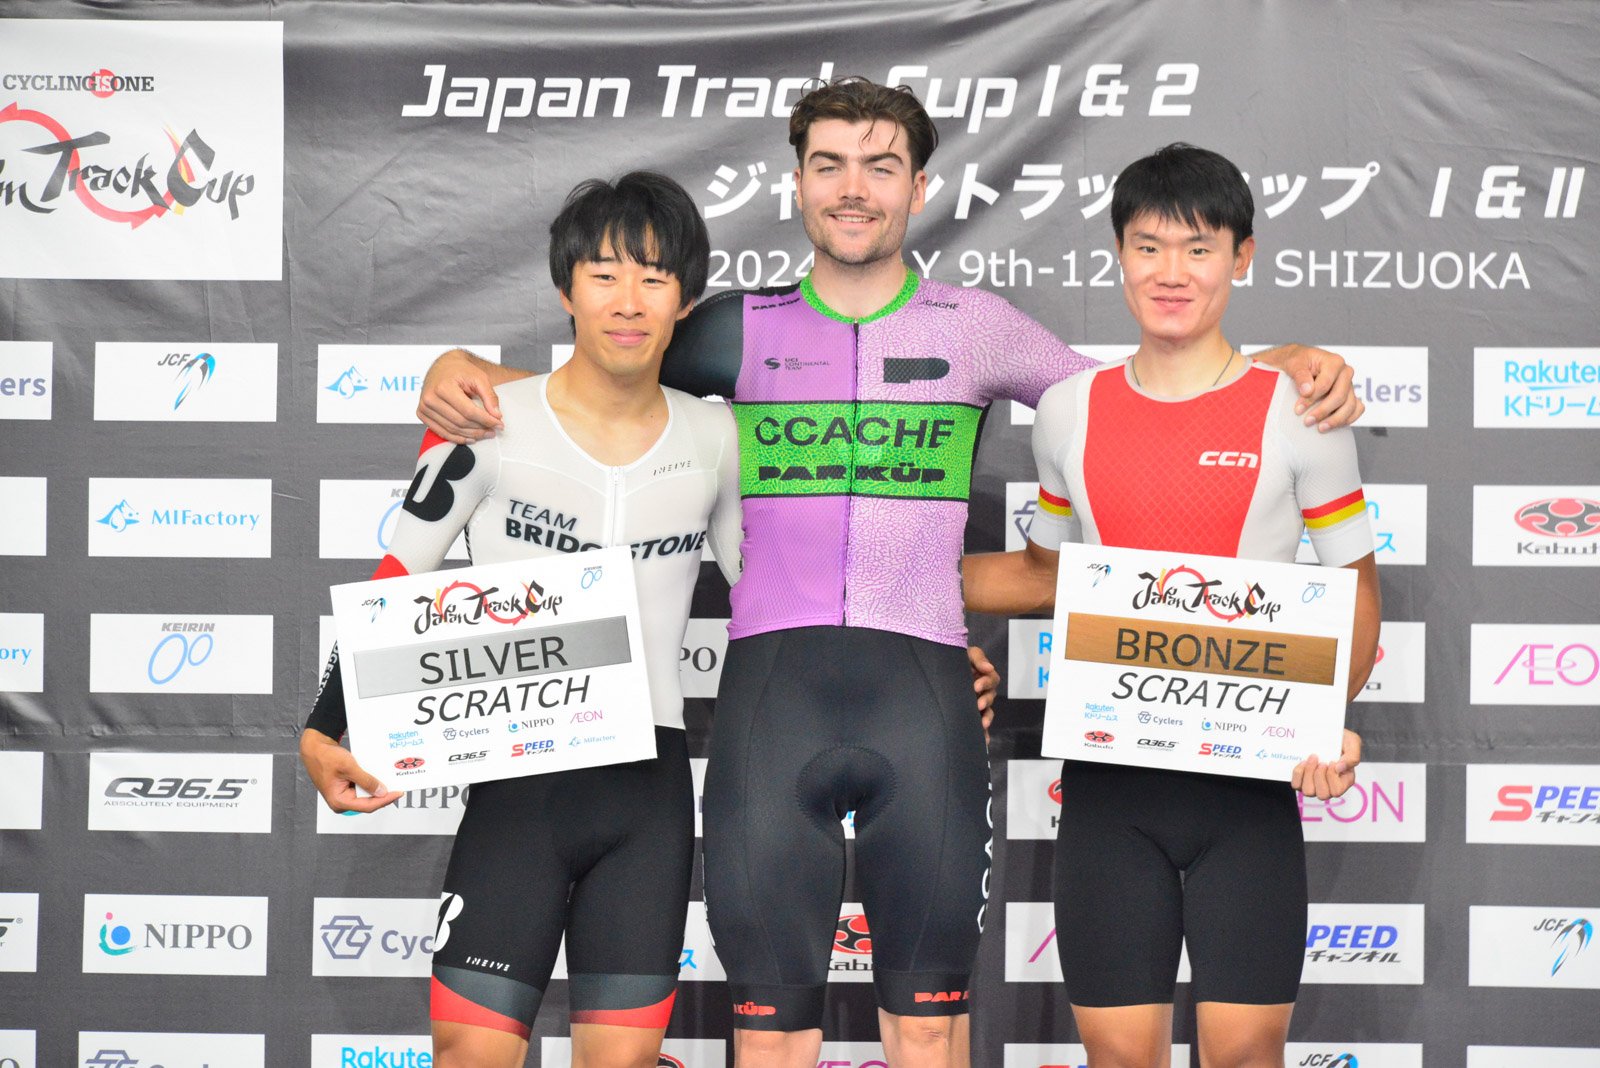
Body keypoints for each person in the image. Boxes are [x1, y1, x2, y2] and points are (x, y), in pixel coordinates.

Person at [413, 80, 1364, 1068]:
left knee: (928, 1028)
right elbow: (599, 375)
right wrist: (457, 371)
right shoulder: (736, 328)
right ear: (797, 185)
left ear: (919, 188)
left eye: (880, 166)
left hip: (925, 702)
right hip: (771, 704)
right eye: (829, 165)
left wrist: (1280, 363)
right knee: (768, 1035)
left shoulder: (977, 327)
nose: (853, 188)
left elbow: (1151, 396)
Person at [298, 171, 743, 1068]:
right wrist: (321, 728)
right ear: (565, 289)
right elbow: (399, 579)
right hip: (519, 793)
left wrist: (923, 652)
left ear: (686, 301)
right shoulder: (486, 424)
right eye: (604, 274)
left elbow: (771, 599)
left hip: (647, 795)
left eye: (654, 277)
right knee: (469, 1053)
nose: (628, 300)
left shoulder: (719, 438)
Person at [963, 143, 1382, 1068]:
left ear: (1243, 257)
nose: (1172, 272)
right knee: (1120, 1060)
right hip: (1111, 793)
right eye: (1148, 247)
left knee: (1245, 1059)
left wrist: (1325, 722)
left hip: (1250, 796)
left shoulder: (1299, 410)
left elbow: (1356, 591)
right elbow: (1044, 572)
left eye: (1199, 249)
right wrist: (882, 582)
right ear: (1119, 255)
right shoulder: (1069, 410)